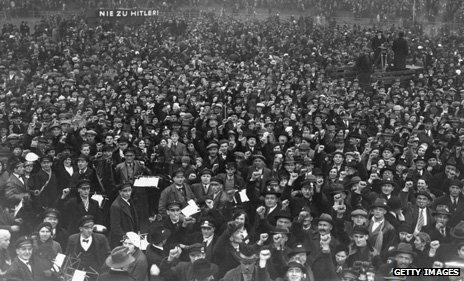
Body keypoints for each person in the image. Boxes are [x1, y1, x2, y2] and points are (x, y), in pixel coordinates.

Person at [110, 182, 140, 248]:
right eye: (125, 191)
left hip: (131, 237)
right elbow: (116, 227)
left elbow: (135, 218)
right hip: (123, 241)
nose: (128, 193)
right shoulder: (116, 206)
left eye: (129, 190)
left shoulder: (129, 201)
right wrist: (126, 239)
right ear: (120, 192)